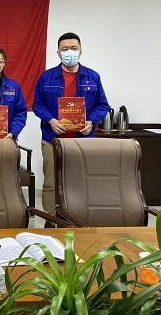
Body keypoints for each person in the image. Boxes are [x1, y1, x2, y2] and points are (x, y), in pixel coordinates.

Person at [32, 32, 109, 224]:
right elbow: (37, 104)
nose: (69, 52)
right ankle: (51, 220)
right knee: (51, 183)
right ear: (58, 53)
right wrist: (51, 120)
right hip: (52, 139)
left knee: (78, 183)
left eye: (73, 49)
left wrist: (91, 121)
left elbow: (102, 105)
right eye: (65, 49)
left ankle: (75, 219)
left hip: (81, 142)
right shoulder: (46, 77)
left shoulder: (93, 77)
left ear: (81, 51)